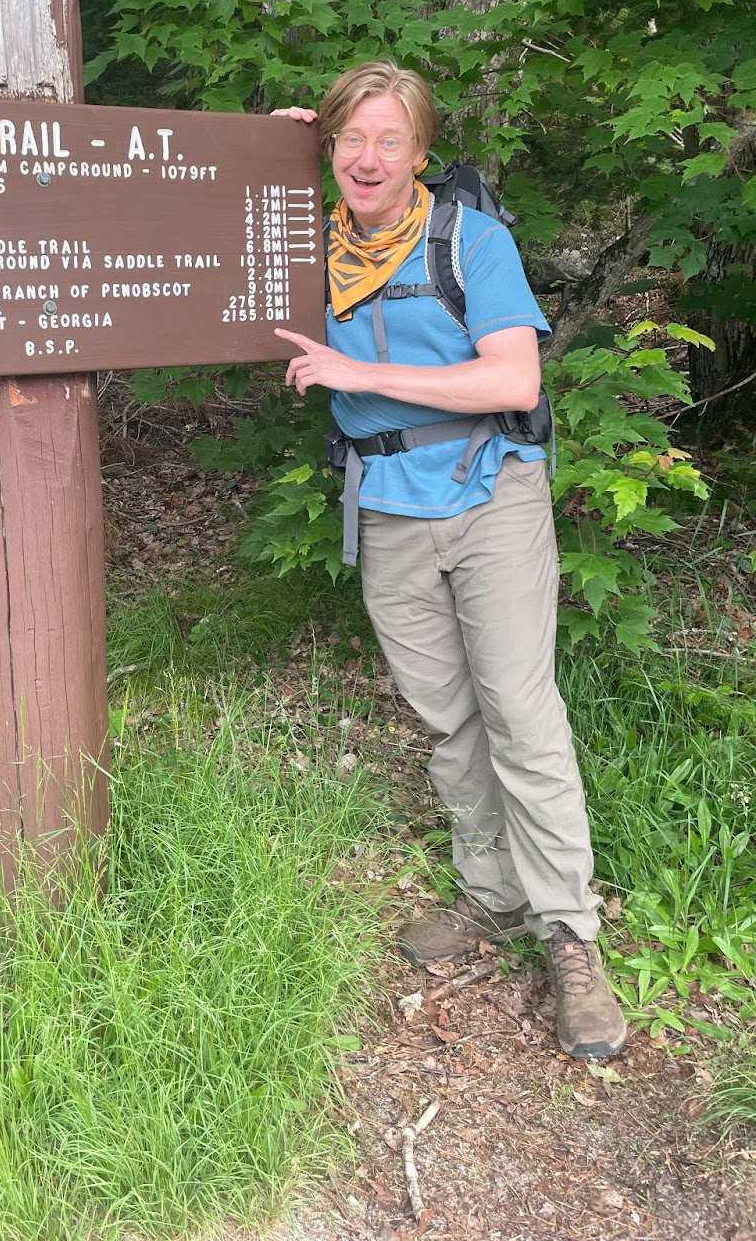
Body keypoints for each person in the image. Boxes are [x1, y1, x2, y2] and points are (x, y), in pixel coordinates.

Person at [272, 60, 627, 1061]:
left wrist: (356, 372)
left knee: (519, 707)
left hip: (489, 494)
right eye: (351, 138)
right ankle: (493, 893)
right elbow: (206, 239)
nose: (369, 158)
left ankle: (570, 932)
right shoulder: (311, 241)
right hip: (384, 505)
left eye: (391, 139)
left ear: (422, 152)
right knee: (446, 715)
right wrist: (261, 149)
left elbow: (513, 373)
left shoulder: (472, 238)